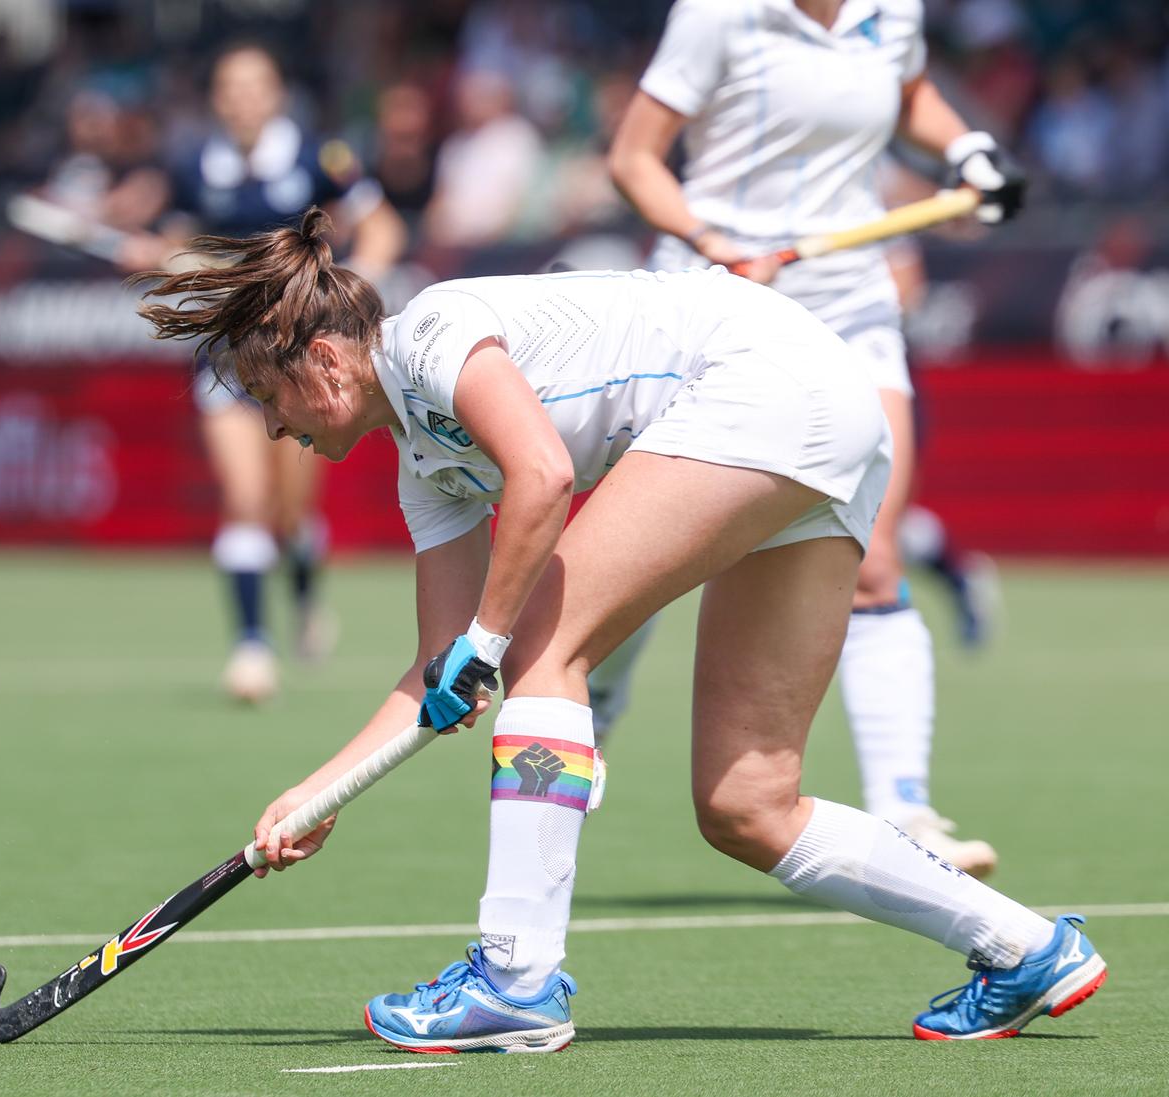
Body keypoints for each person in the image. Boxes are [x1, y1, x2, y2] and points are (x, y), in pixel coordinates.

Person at [138, 209, 1104, 1052]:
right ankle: (1028, 950)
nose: (272, 430)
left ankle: (513, 980)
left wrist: (491, 638)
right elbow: (440, 667)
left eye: (268, 398)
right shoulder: (422, 468)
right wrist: (315, 792)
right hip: (823, 419)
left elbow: (545, 476)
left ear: (325, 359)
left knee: (541, 652)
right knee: (748, 803)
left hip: (763, 383)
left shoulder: (430, 332)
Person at [602, 0, 1028, 873]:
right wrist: (707, 238)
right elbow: (634, 157)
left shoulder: (892, 9)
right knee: (640, 539)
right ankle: (592, 704)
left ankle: (908, 808)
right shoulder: (718, 14)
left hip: (849, 302)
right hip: (714, 297)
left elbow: (907, 93)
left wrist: (966, 149)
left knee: (872, 561)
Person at [117, 42, 407, 702]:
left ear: (275, 94)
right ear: (217, 99)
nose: (243, 99)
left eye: (256, 86)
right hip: (227, 356)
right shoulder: (193, 165)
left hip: (299, 354)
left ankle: (305, 598)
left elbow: (383, 227)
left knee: (289, 511)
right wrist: (155, 256)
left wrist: (347, 295)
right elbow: (181, 248)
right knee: (244, 499)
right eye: (230, 87)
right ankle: (251, 646)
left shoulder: (317, 158)